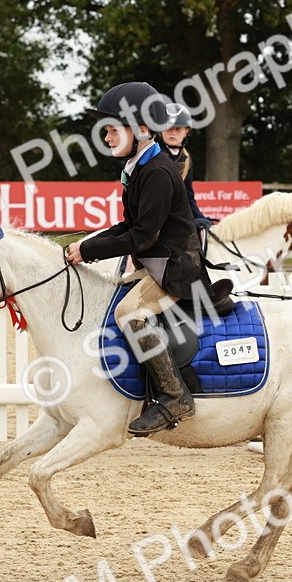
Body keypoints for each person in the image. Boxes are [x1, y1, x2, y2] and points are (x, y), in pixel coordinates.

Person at [64, 81, 207, 436]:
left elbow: (143, 235)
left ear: (142, 129)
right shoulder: (140, 166)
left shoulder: (157, 170)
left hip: (175, 270)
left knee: (129, 313)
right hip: (155, 264)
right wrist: (88, 242)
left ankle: (175, 397)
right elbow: (130, 224)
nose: (107, 137)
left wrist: (89, 252)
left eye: (112, 129)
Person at [160, 103, 212, 231]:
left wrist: (201, 218)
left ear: (186, 131)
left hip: (176, 214)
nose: (173, 132)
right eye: (168, 128)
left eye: (178, 129)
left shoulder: (186, 157)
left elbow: (188, 196)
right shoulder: (153, 154)